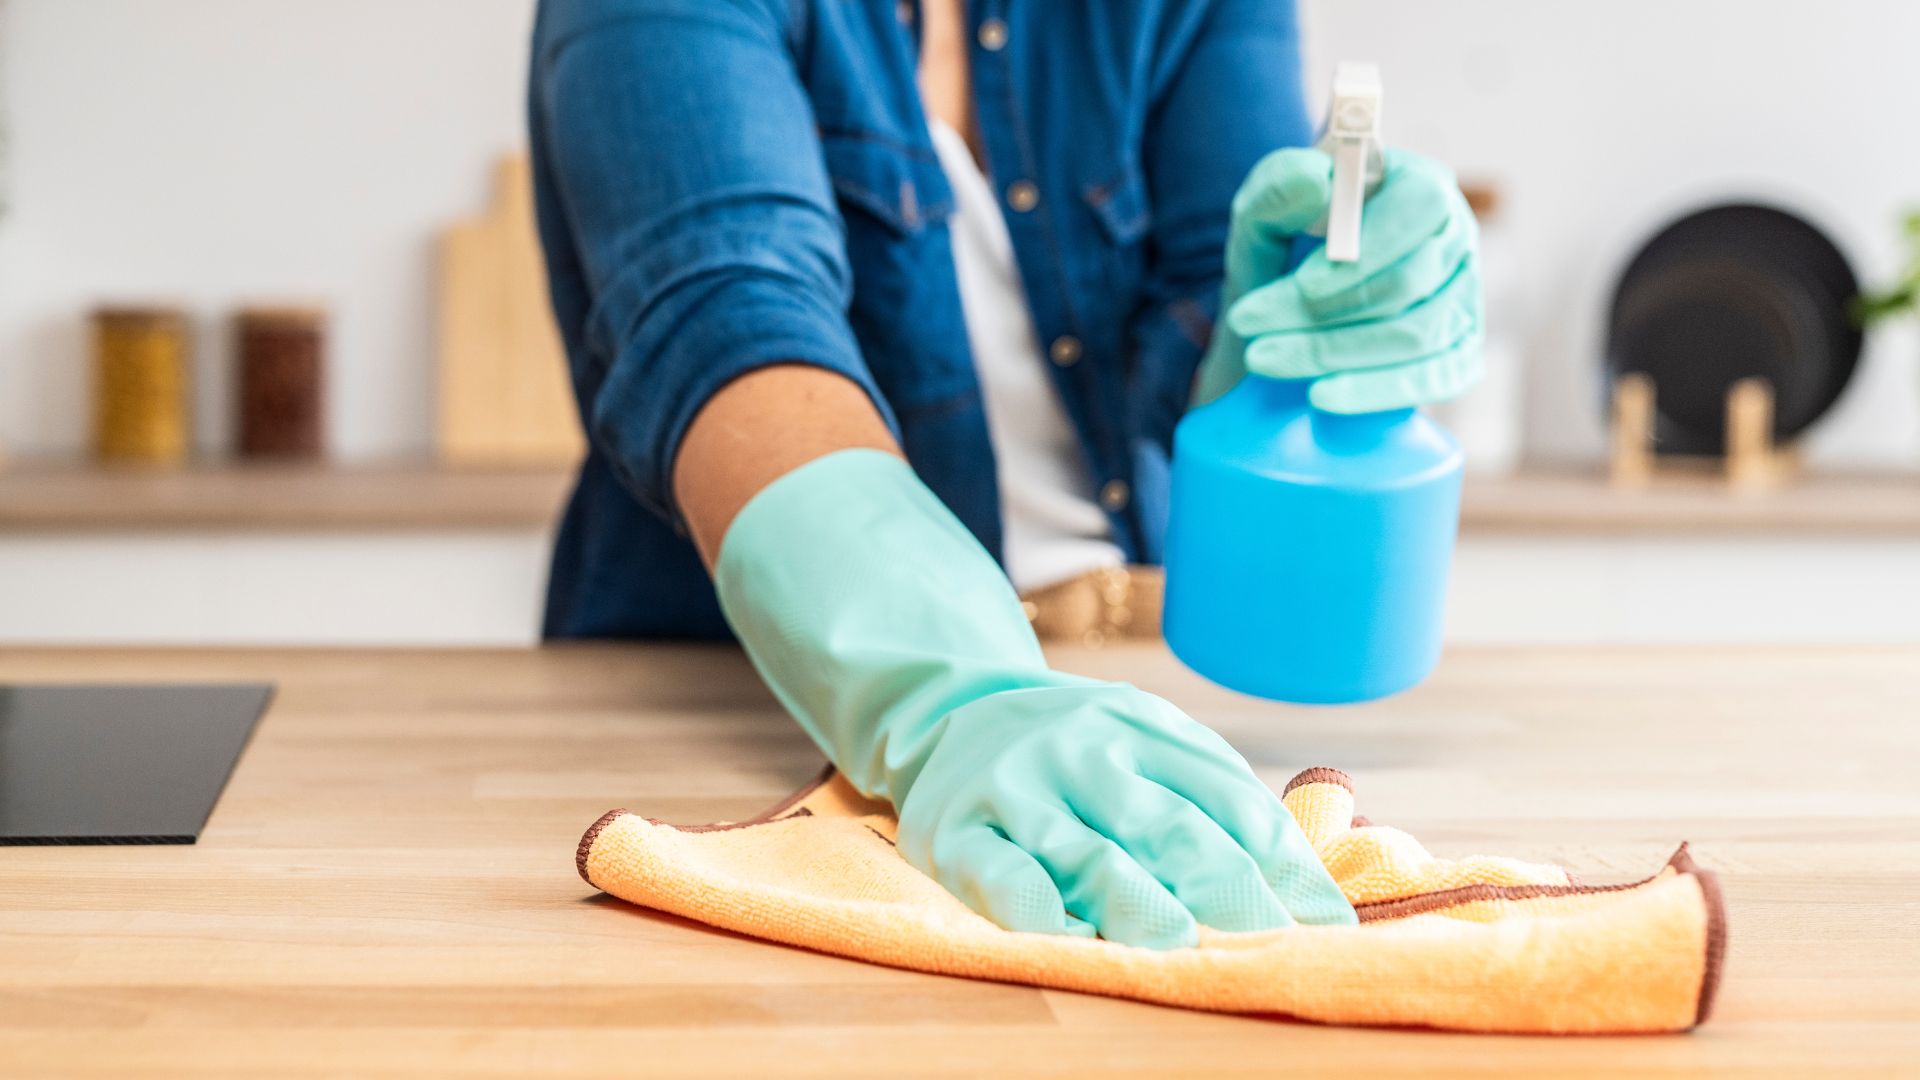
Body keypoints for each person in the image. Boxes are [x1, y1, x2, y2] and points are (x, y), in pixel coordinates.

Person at [528, 0, 1482, 948]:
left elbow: (1200, 326)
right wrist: (953, 692)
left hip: (1130, 675)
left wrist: (1301, 321)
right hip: (745, 700)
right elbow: (723, 318)